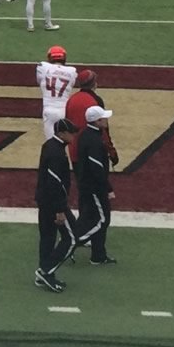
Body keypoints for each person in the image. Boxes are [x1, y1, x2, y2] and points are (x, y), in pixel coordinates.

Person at [35, 118, 78, 293]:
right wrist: (60, 209)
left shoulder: (49, 146)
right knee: (72, 237)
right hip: (54, 204)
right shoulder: (57, 153)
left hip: (44, 200)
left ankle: (45, 273)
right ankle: (46, 271)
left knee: (48, 237)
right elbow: (55, 183)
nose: (73, 135)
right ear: (61, 133)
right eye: (70, 132)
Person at [73, 105, 117, 266]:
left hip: (88, 185)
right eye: (103, 118)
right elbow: (97, 169)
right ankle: (71, 244)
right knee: (102, 220)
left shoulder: (87, 135)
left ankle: (98, 255)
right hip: (94, 188)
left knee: (90, 218)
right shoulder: (94, 140)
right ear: (97, 121)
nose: (106, 120)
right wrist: (108, 188)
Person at [35, 43, 79, 140]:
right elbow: (71, 84)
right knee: (64, 141)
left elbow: (39, 81)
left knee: (51, 142)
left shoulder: (43, 67)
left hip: (49, 109)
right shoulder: (72, 71)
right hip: (64, 109)